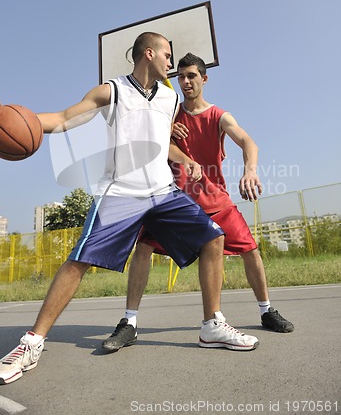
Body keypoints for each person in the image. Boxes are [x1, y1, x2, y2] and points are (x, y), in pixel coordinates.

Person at [0, 34, 259, 386]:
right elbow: (62, 118)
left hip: (161, 191)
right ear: (148, 54)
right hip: (120, 191)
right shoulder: (112, 91)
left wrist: (187, 160)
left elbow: (160, 143)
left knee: (213, 238)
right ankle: (31, 343)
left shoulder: (169, 98)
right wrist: (24, 120)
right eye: (167, 55)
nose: (171, 63)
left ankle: (212, 325)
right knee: (79, 261)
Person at [102, 52, 294, 353]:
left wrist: (250, 170)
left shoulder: (219, 115)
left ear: (204, 79)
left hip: (216, 199)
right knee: (143, 248)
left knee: (251, 250)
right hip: (177, 201)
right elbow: (145, 141)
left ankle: (266, 310)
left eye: (192, 76)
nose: (186, 81)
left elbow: (247, 141)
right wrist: (167, 131)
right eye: (181, 76)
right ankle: (130, 322)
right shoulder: (169, 112)